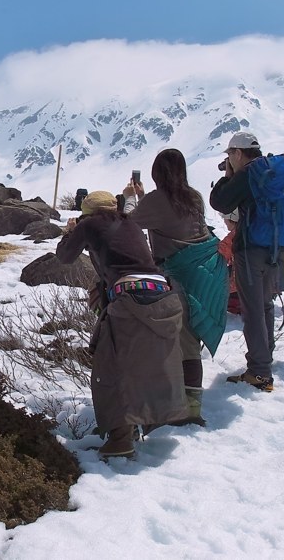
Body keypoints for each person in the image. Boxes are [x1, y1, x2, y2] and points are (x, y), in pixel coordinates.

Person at [56, 190, 190, 458]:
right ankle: (139, 425)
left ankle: (120, 440)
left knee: (112, 367)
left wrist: (70, 232)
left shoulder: (89, 224)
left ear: (87, 213)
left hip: (131, 301)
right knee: (148, 365)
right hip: (164, 296)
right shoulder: (130, 222)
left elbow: (64, 256)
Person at [122, 148, 227, 427]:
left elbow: (129, 223)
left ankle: (189, 411)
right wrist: (144, 198)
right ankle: (186, 404)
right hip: (208, 271)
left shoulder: (159, 199)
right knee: (191, 338)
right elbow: (167, 217)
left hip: (183, 274)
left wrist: (132, 198)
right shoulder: (192, 196)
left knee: (185, 341)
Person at [209, 132, 284, 392]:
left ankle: (260, 372)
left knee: (252, 309)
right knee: (264, 305)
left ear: (238, 153)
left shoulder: (248, 173)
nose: (229, 159)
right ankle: (265, 359)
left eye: (230, 154)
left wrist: (228, 176)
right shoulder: (271, 170)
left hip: (250, 249)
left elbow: (218, 200)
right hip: (275, 247)